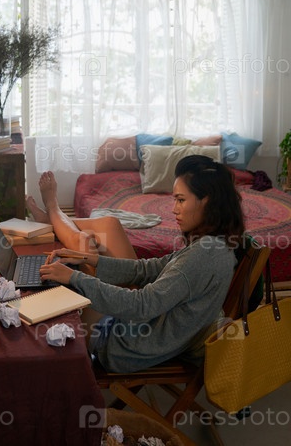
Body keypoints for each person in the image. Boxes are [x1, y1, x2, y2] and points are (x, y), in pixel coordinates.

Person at [30, 156, 245, 373]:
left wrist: (74, 277)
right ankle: (53, 217)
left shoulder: (202, 256)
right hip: (144, 333)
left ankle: (52, 213)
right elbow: (147, 269)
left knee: (78, 256)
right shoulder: (216, 243)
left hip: (124, 346)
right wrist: (91, 260)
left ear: (206, 201)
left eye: (180, 200)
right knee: (98, 237)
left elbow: (142, 305)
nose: (174, 209)